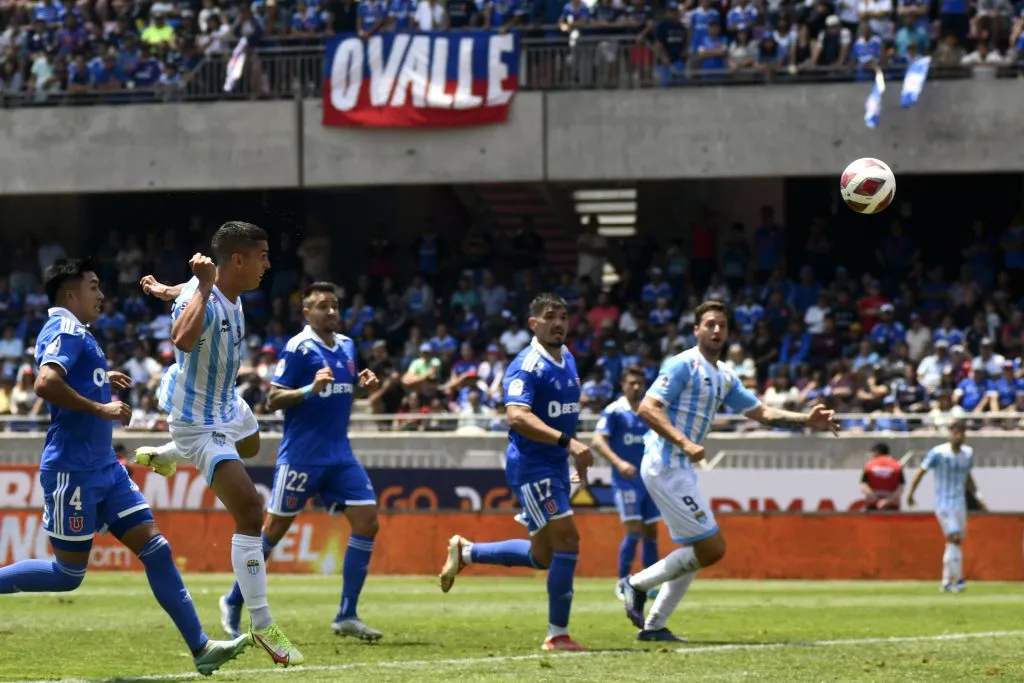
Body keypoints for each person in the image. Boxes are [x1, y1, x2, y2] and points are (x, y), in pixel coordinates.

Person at [0, 258, 250, 675]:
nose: (101, 295)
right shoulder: (64, 328)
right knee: (68, 574)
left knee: (156, 549)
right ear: (70, 294)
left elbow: (67, 377)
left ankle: (201, 647)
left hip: (106, 468)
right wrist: (101, 406)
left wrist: (99, 377)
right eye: (94, 287)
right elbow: (45, 383)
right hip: (73, 470)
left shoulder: (79, 333)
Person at [132, 222, 303, 665]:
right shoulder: (206, 294)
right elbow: (181, 338)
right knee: (250, 512)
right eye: (262, 256)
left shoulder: (219, 287)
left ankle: (170, 455)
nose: (268, 264)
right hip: (198, 419)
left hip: (227, 402)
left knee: (251, 445)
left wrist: (162, 289)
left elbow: (184, 290)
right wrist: (201, 288)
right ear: (238, 260)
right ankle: (262, 623)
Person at [618, 300, 839, 641]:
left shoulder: (723, 376)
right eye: (710, 324)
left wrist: (806, 420)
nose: (716, 330)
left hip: (680, 467)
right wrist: (684, 442)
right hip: (665, 463)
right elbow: (647, 408)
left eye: (722, 325)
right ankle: (635, 584)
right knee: (713, 548)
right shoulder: (682, 364)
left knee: (699, 549)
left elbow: (763, 413)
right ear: (696, 329)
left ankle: (655, 626)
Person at [219, 282, 383, 641]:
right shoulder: (297, 348)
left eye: (335, 305)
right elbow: (273, 399)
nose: (331, 312)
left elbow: (343, 389)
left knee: (368, 522)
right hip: (301, 457)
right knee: (273, 532)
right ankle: (232, 600)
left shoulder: (348, 346)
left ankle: (347, 615)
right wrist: (310, 389)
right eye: (323, 306)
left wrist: (363, 386)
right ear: (306, 313)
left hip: (340, 455)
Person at [437, 293, 593, 651]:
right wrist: (569, 443)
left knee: (543, 555)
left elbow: (563, 416)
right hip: (533, 467)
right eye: (550, 317)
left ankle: (467, 552)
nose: (559, 323)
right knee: (568, 540)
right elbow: (517, 417)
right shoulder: (526, 365)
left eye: (563, 316)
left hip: (555, 463)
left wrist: (573, 455)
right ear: (533, 324)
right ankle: (557, 634)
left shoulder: (567, 357)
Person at [593, 366, 662, 601]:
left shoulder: (650, 411)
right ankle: (622, 582)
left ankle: (650, 583)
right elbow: (597, 441)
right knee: (634, 530)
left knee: (651, 531)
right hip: (626, 481)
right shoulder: (614, 411)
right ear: (623, 385)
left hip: (650, 480)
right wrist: (619, 463)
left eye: (640, 383)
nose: (636, 387)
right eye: (631, 383)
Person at [906, 421, 987, 593]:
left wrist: (979, 497)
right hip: (943, 503)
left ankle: (946, 581)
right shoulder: (938, 453)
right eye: (954, 432)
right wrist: (911, 494)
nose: (958, 436)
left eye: (961, 432)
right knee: (954, 538)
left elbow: (967, 477)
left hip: (960, 503)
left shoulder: (967, 454)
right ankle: (958, 580)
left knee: (955, 542)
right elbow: (921, 471)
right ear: (948, 434)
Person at [860, 442, 904, 511]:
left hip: (873, 505)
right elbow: (901, 486)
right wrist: (888, 500)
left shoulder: (869, 465)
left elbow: (864, 485)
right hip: (892, 505)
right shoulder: (897, 465)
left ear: (876, 452)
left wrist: (877, 500)